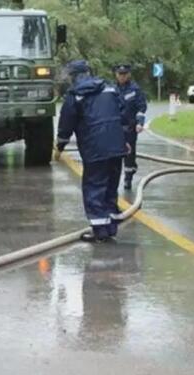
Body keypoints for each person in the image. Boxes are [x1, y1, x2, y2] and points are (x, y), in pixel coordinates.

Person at [55, 60, 128, 243]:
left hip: (95, 150)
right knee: (111, 187)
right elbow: (123, 115)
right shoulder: (110, 89)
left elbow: (66, 125)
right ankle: (110, 228)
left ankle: (99, 231)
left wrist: (60, 147)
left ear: (73, 77)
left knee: (94, 187)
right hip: (116, 147)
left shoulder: (75, 95)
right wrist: (124, 141)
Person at [113, 63, 147, 190]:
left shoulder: (135, 89)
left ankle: (128, 177)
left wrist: (140, 123)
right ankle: (114, 180)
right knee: (114, 155)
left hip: (130, 128)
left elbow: (141, 107)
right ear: (116, 75)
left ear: (129, 75)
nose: (122, 77)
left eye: (124, 74)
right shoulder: (111, 89)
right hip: (115, 128)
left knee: (129, 155)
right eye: (119, 74)